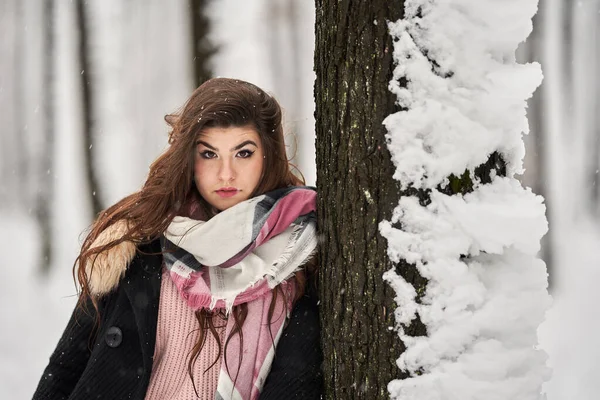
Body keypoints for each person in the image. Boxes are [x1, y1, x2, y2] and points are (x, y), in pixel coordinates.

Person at [32, 78, 322, 400]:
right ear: (189, 158)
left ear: (268, 154)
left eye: (243, 153)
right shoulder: (139, 241)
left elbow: (296, 381)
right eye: (209, 154)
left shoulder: (298, 253)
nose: (226, 173)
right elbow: (66, 366)